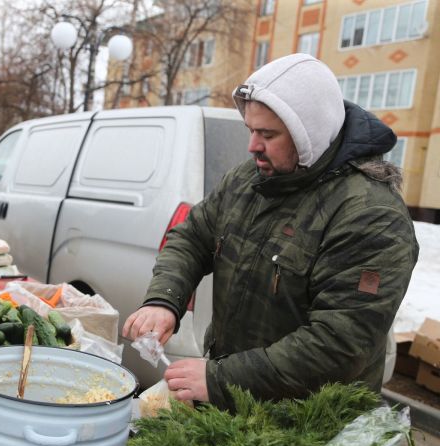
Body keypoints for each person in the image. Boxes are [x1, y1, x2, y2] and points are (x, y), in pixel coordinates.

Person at [123, 53, 419, 411]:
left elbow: (339, 344)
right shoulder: (249, 180)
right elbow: (192, 237)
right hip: (232, 405)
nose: (252, 147)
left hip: (309, 427)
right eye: (251, 130)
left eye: (268, 134)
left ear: (307, 134)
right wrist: (164, 301)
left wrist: (221, 379)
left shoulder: (371, 216)